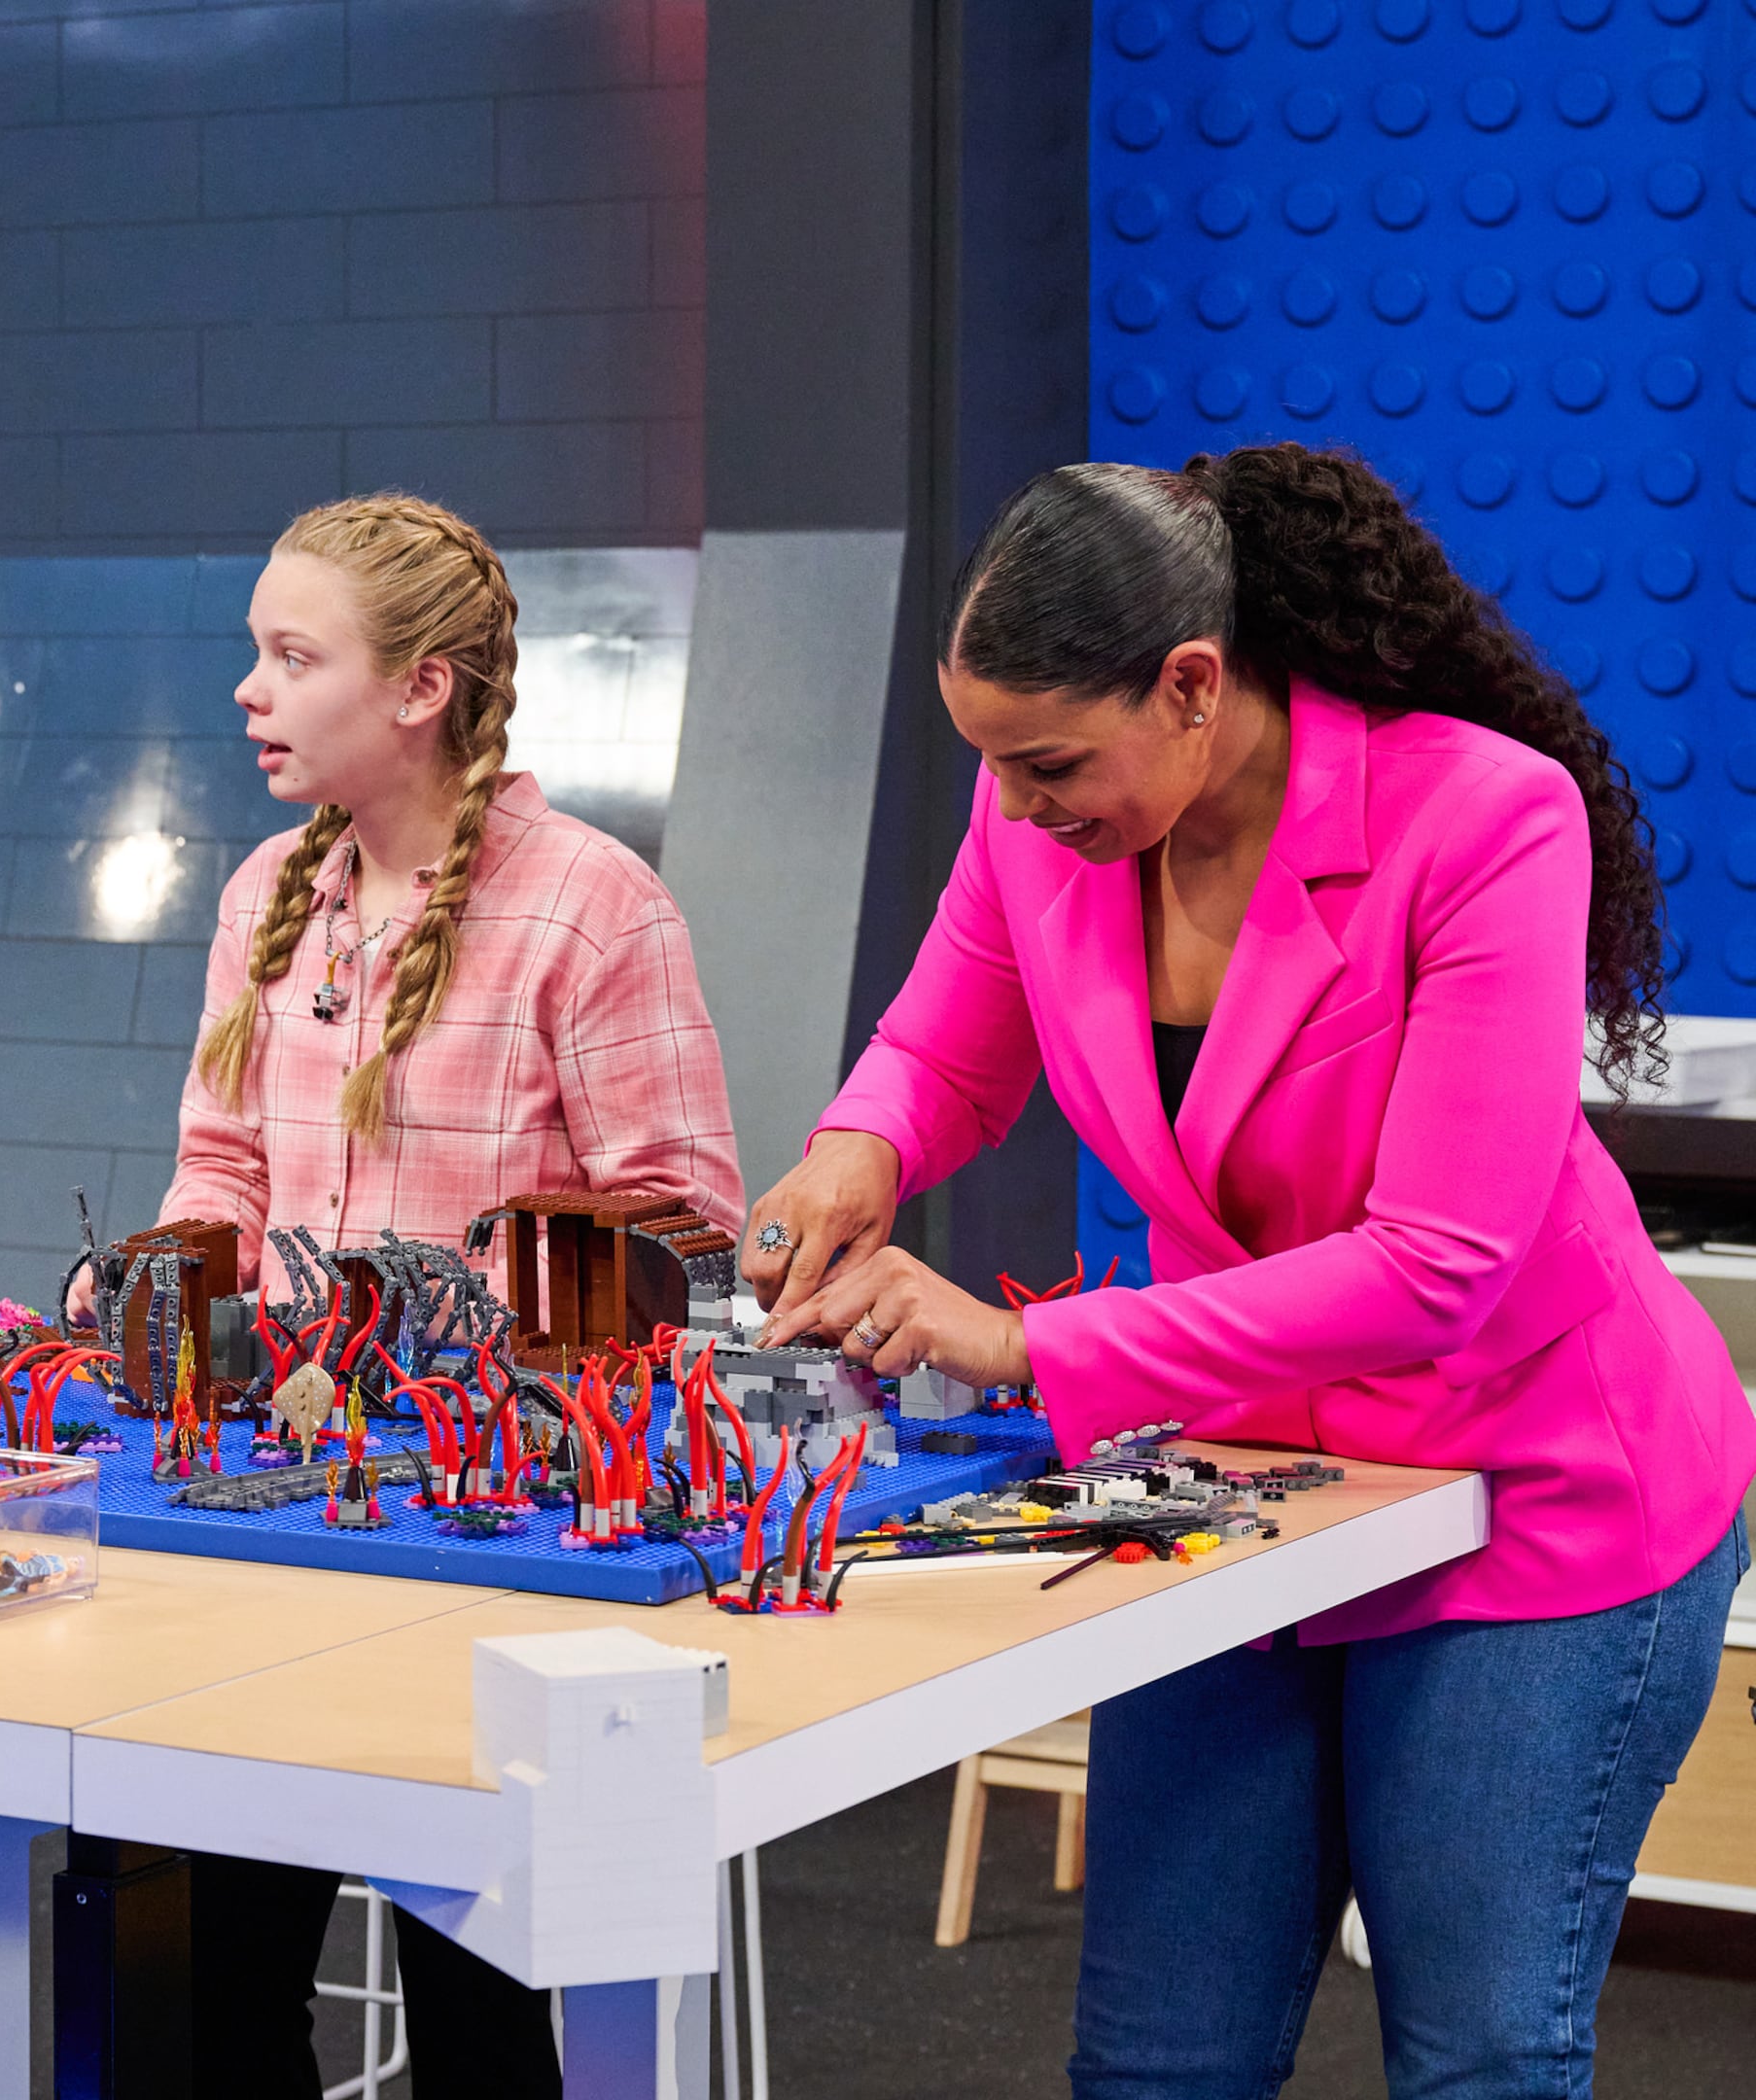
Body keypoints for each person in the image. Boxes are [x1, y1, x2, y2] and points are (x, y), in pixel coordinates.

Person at [741, 445, 1756, 2100]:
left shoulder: (1487, 815)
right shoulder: (1042, 836)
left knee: (1481, 2060)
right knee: (1157, 2063)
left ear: (1194, 686)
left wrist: (1022, 1346)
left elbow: (1438, 1266)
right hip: (1250, 1480)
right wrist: (862, 1145)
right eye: (989, 764)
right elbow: (943, 1048)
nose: (1011, 806)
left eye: (1049, 760)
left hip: (1537, 1493)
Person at [149, 493, 741, 2098]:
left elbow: (683, 1238)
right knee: (206, 1971)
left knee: (477, 2005)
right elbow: (219, 1165)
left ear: (422, 689)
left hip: (491, 1539)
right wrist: (178, 1296)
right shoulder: (266, 889)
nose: (249, 692)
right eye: (252, 654)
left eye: (290, 656)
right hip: (268, 1521)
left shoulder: (591, 904)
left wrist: (462, 1362)